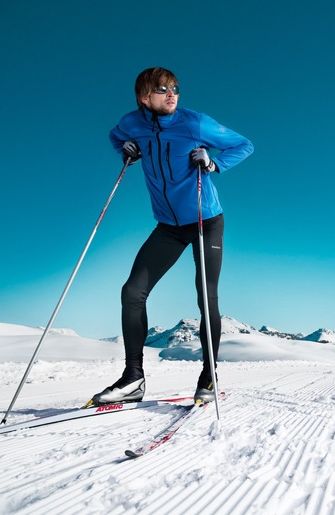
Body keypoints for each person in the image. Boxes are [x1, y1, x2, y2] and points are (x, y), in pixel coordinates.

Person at [91, 67, 253, 405]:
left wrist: (213, 163)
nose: (172, 94)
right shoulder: (132, 122)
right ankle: (133, 378)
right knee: (132, 291)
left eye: (176, 87)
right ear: (144, 97)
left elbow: (243, 145)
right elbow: (115, 136)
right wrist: (128, 148)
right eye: (163, 89)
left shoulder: (194, 123)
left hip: (205, 221)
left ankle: (208, 377)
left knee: (205, 296)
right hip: (167, 227)